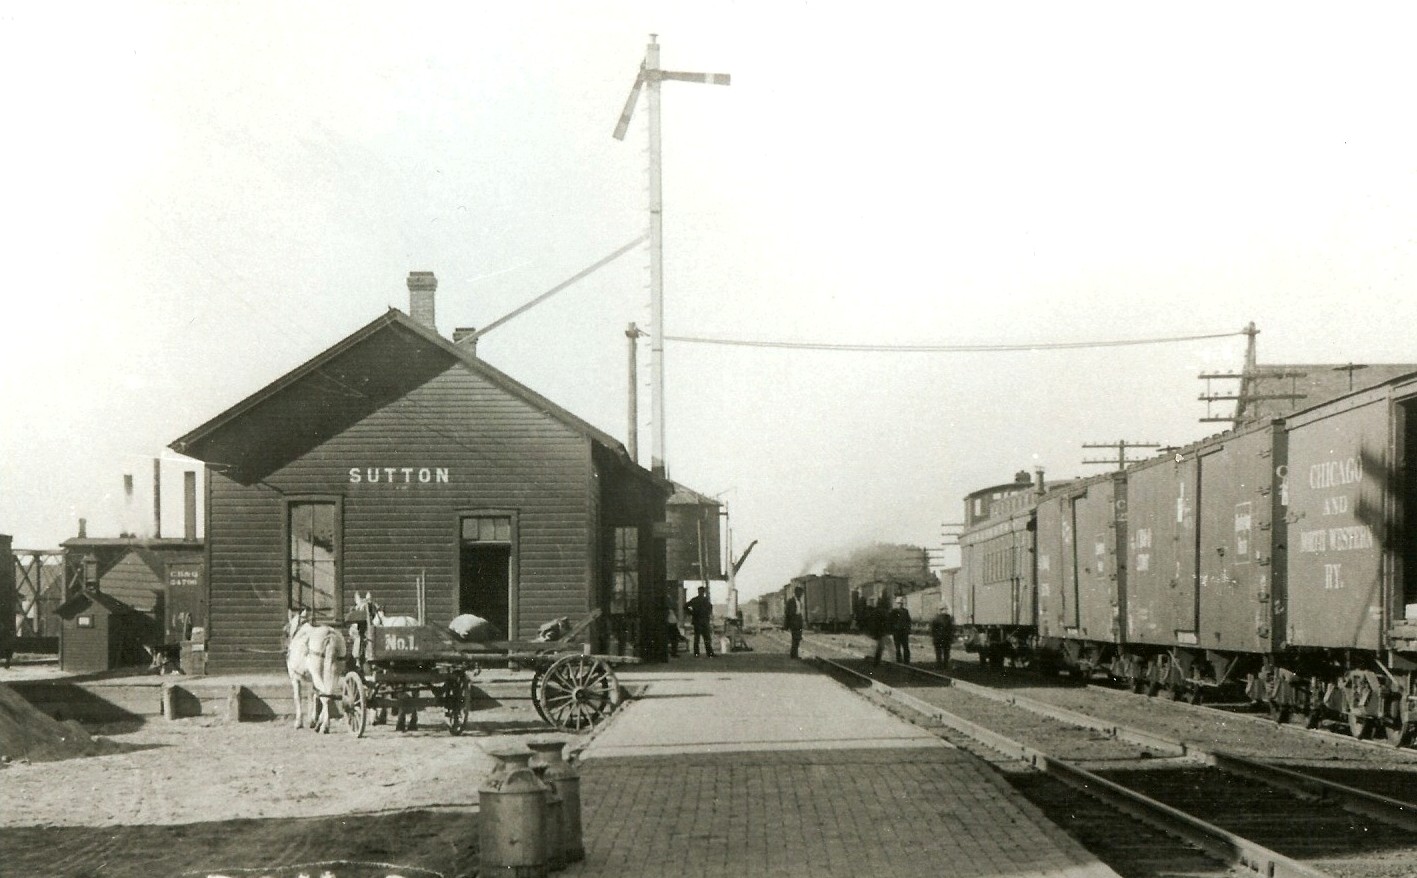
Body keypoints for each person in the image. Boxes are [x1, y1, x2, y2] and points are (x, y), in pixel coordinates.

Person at [685, 586, 715, 657]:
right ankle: (709, 653)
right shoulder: (705, 600)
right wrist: (691, 612)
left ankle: (697, 653)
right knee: (706, 638)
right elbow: (710, 608)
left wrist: (691, 612)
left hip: (697, 621)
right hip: (703, 621)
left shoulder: (695, 600)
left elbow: (686, 606)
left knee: (698, 638)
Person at [867, 594, 892, 666]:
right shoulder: (882, 612)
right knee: (883, 647)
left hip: (879, 631)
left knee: (881, 646)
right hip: (881, 632)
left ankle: (877, 661)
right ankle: (877, 662)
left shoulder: (875, 611)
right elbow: (885, 621)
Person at [930, 605, 955, 670]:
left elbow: (933, 629)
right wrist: (951, 637)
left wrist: (934, 637)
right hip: (946, 638)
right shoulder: (949, 618)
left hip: (938, 638)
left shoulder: (936, 618)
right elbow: (952, 629)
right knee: (946, 653)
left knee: (938, 653)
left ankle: (939, 666)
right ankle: (945, 665)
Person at [889, 596, 912, 665]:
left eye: (901, 603)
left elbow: (909, 621)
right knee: (898, 647)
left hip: (903, 632)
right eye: (899, 603)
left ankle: (906, 661)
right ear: (896, 603)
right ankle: (899, 661)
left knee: (905, 647)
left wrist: (908, 629)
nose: (900, 604)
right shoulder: (894, 611)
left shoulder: (905, 611)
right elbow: (890, 622)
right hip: (897, 632)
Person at [785, 585, 806, 658]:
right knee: (795, 638)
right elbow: (788, 613)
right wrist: (787, 624)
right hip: (794, 622)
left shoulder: (799, 601)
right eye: (800, 593)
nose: (801, 594)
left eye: (802, 593)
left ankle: (794, 654)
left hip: (798, 622)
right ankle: (793, 655)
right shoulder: (791, 601)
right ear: (796, 593)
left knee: (798, 639)